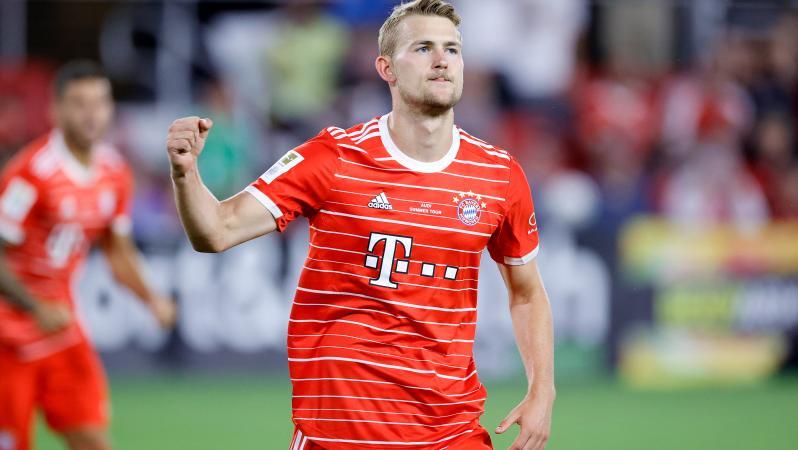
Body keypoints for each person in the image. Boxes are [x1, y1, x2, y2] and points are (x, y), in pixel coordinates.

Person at [166, 1, 555, 449]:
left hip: (450, 432)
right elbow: (215, 231)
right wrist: (185, 173)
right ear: (385, 67)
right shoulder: (333, 157)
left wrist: (542, 390)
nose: (442, 59)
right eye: (424, 47)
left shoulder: (497, 173)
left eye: (452, 48)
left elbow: (526, 291)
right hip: (338, 434)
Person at [0, 60, 176, 450]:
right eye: (79, 103)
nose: (91, 113)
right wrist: (34, 307)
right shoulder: (30, 174)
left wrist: (152, 299)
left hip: (62, 331)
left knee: (93, 440)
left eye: (99, 102)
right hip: (9, 339)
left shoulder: (114, 172)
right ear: (55, 110)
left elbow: (118, 251)